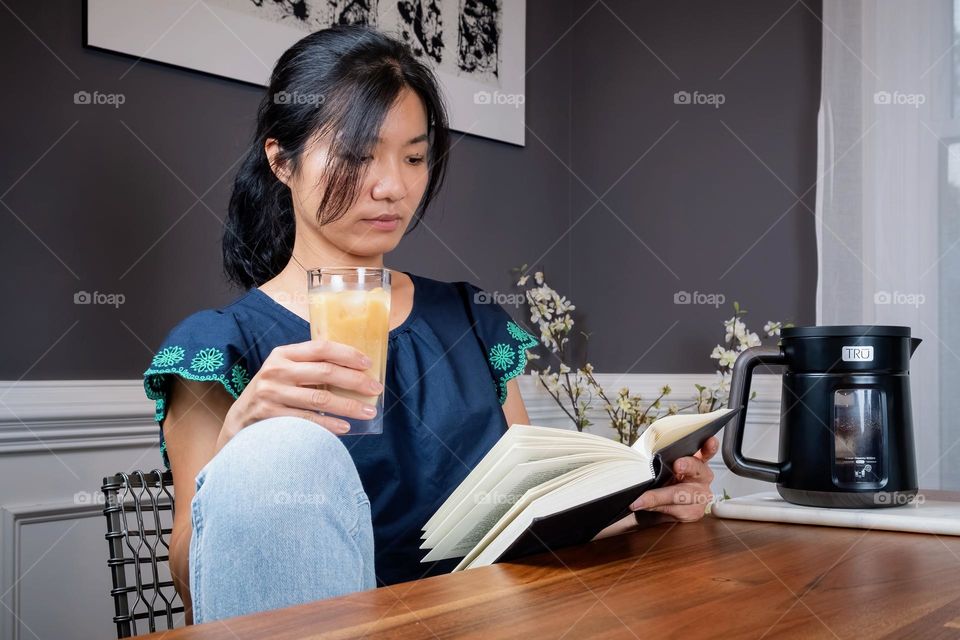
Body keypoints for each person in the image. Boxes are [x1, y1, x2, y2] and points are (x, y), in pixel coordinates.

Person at [142, 25, 719, 626]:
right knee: (281, 456)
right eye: (356, 154)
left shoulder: (470, 320)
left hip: (486, 624)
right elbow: (192, 581)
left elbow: (525, 520)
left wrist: (636, 501)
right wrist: (237, 453)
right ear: (281, 160)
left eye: (414, 157)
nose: (394, 186)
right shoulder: (217, 346)